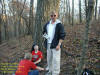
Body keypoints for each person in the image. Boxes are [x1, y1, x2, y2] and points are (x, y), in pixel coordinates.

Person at [43, 11, 66, 75]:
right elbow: (44, 32)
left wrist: (59, 44)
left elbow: (62, 35)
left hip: (56, 44)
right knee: (49, 59)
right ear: (50, 16)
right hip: (48, 44)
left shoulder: (59, 24)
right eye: (51, 15)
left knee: (56, 60)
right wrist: (46, 37)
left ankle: (55, 73)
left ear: (57, 15)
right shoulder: (47, 24)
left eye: (54, 15)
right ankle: (50, 71)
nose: (53, 17)